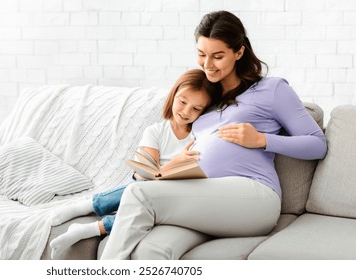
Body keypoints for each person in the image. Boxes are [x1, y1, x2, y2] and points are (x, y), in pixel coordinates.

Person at [100, 10, 328, 260]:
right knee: (151, 250)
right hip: (206, 198)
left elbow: (317, 145)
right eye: (201, 55)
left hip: (253, 197)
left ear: (239, 52)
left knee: (138, 194)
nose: (207, 64)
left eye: (217, 56)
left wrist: (262, 140)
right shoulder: (207, 98)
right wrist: (175, 165)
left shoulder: (272, 89)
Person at [49, 69, 220, 259]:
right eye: (183, 102)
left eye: (196, 109)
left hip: (174, 196)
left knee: (147, 212)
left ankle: (89, 229)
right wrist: (175, 163)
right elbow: (145, 173)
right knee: (139, 190)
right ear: (173, 97)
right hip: (147, 186)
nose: (187, 111)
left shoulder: (200, 135)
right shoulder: (156, 131)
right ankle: (88, 205)